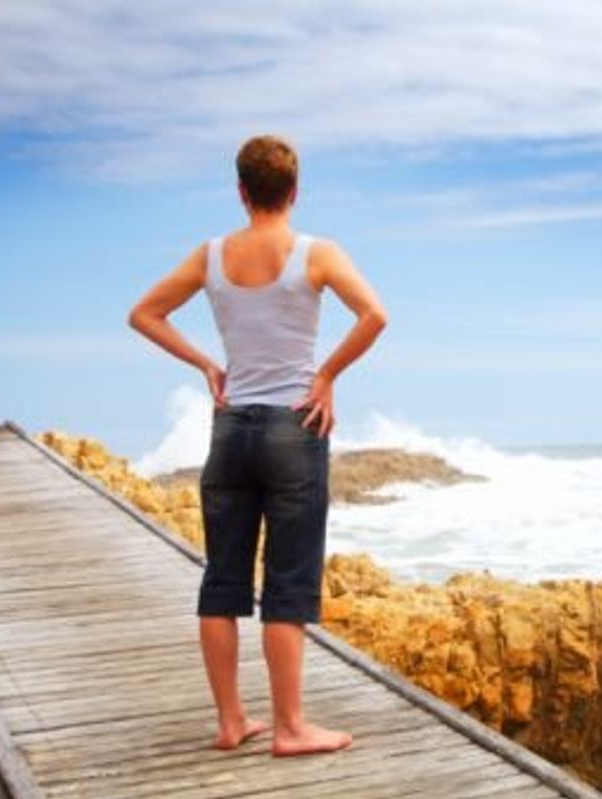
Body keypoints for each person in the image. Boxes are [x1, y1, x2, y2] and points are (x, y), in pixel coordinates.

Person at [127, 134, 388, 757]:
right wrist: (324, 377)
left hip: (231, 428)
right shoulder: (316, 254)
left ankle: (230, 722)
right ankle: (292, 727)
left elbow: (144, 313)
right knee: (289, 581)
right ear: (294, 192)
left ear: (241, 192)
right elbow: (374, 315)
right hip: (293, 429)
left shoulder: (212, 255)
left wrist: (207, 367)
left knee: (222, 580)